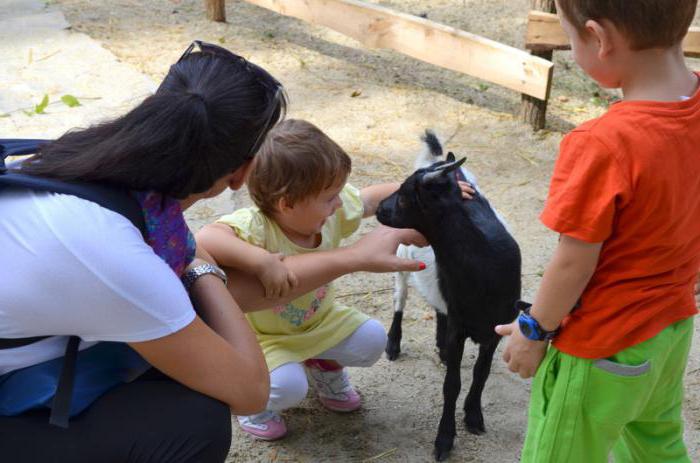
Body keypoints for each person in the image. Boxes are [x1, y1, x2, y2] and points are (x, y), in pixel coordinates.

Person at [0, 42, 427, 463]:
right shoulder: (112, 249)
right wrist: (202, 265)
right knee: (194, 420)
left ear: (153, 107)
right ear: (240, 175)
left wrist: (353, 257)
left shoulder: (76, 162)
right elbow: (249, 391)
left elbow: (225, 289)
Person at [494, 1, 700, 462]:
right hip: (669, 332)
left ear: (600, 38)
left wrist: (534, 329)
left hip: (601, 348)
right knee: (657, 447)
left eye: (570, 39)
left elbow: (574, 260)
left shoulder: (603, 144)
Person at [197, 119, 474, 440]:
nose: (340, 203)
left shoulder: (329, 214)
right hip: (267, 339)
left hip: (322, 321)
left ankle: (323, 363)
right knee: (288, 388)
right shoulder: (257, 226)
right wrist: (258, 260)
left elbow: (371, 200)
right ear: (286, 203)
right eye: (330, 197)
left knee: (373, 341)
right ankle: (255, 405)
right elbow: (207, 238)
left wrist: (424, 190)